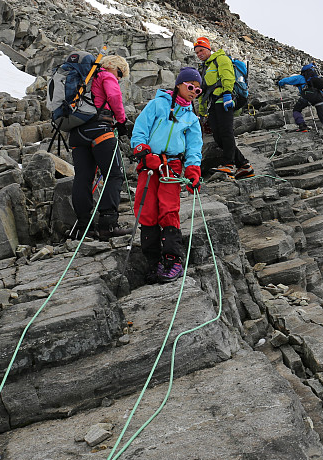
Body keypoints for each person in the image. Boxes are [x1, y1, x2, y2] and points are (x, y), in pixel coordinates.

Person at [130, 67, 204, 282]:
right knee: (146, 208)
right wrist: (141, 150)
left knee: (169, 208)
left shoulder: (192, 117)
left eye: (198, 91)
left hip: (172, 165)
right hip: (150, 163)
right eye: (191, 87)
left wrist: (193, 170)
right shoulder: (157, 104)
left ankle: (173, 260)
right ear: (179, 84)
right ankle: (153, 262)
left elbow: (194, 147)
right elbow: (140, 128)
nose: (193, 92)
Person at [69, 54, 130, 240]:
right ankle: (108, 225)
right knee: (114, 174)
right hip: (99, 129)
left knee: (83, 178)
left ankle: (83, 227)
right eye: (120, 73)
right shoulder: (105, 75)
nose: (118, 78)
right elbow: (113, 96)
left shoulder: (85, 79)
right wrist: (121, 121)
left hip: (77, 133)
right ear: (113, 66)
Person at [193, 36, 253, 179]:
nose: (199, 54)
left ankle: (228, 164)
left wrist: (227, 94)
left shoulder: (221, 58)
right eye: (197, 52)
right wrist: (202, 113)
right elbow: (203, 91)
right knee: (218, 135)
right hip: (214, 103)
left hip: (226, 100)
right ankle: (244, 165)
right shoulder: (204, 67)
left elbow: (227, 76)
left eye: (201, 50)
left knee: (226, 133)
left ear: (208, 48)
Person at [277, 63, 323, 146]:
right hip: (319, 97)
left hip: (308, 96)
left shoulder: (300, 77)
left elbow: (288, 80)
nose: (295, 86)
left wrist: (280, 82)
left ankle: (302, 126)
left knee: (296, 110)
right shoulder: (314, 78)